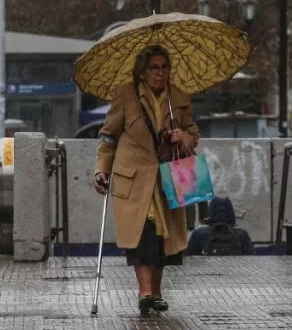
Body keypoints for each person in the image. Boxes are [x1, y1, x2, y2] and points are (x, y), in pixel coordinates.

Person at [94, 45, 200, 314]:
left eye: (165, 67)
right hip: (134, 179)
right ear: (142, 70)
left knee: (164, 236)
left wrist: (181, 138)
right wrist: (101, 169)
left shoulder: (179, 98)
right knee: (143, 234)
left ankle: (157, 291)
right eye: (154, 67)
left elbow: (193, 135)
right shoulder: (126, 95)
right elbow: (109, 138)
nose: (160, 73)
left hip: (168, 177)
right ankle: (145, 292)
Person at [186, 197, 255, 256]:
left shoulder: (198, 234)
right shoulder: (242, 234)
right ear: (231, 213)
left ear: (211, 212)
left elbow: (189, 258)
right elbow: (251, 259)